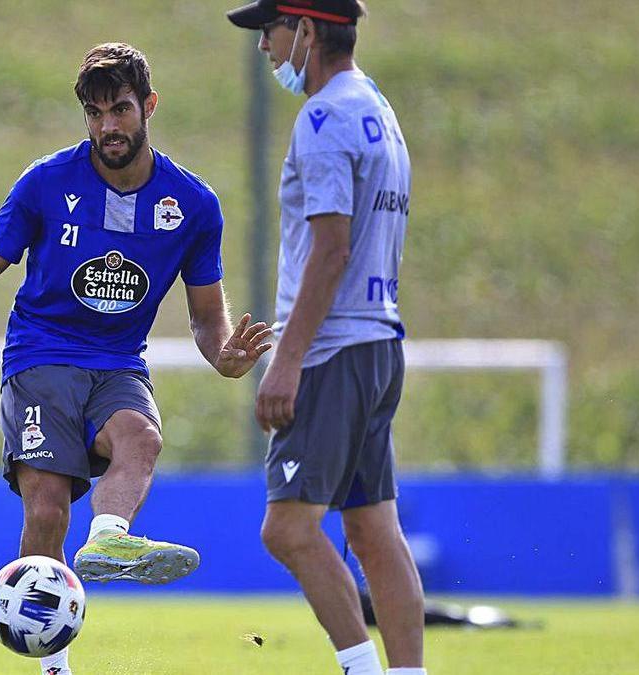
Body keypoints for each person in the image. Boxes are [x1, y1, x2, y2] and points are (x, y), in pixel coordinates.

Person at [0, 42, 272, 675]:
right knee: (46, 509)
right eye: (95, 114)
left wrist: (224, 357)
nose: (108, 127)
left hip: (119, 362)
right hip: (39, 357)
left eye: (120, 109)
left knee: (141, 437)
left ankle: (109, 542)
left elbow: (207, 319)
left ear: (149, 107)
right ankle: (54, 666)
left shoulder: (193, 206)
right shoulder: (45, 182)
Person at [225, 2, 426, 675]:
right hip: (379, 342)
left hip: (334, 350)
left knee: (287, 529)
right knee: (372, 529)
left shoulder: (322, 117)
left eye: (270, 31)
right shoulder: (378, 109)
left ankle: (363, 671)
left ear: (306, 30)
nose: (264, 47)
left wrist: (286, 362)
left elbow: (331, 248)